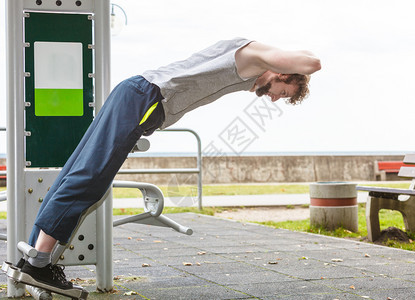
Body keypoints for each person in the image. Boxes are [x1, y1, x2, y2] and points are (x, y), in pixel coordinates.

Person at [14, 37, 321, 290]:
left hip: (136, 95)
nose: (274, 99)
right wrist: (285, 58)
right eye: (282, 92)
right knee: (90, 179)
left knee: (78, 172)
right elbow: (312, 62)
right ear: (283, 72)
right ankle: (40, 262)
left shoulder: (251, 68)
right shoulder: (254, 55)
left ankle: (32, 262)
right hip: (145, 99)